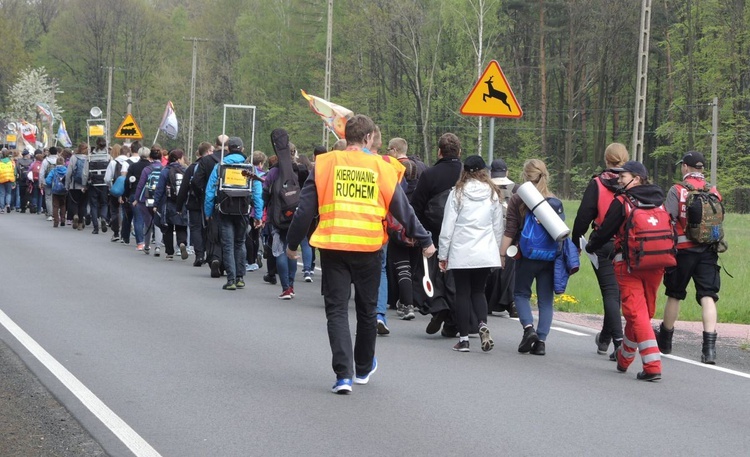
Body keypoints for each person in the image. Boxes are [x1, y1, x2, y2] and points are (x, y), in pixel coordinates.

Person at [285, 114, 436, 394]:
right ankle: (363, 368)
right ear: (368, 138)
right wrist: (424, 238)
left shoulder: (325, 164)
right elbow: (402, 209)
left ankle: (343, 376)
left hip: (333, 247)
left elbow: (305, 210)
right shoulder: (381, 167)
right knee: (367, 311)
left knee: (337, 311)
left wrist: (292, 244)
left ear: (346, 136)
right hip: (368, 248)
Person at [586, 160, 667, 381]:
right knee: (642, 313)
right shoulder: (660, 200)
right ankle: (624, 359)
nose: (618, 179)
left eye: (623, 176)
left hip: (628, 264)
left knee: (636, 314)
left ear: (637, 178)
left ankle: (652, 366)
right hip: (657, 264)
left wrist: (591, 246)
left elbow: (605, 232)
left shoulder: (623, 201)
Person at [655, 151, 723, 364]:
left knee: (675, 294)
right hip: (708, 251)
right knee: (708, 296)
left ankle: (665, 341)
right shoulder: (714, 191)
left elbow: (668, 218)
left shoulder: (677, 190)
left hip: (683, 251)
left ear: (685, 167)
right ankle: (709, 350)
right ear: (701, 169)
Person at [438, 155, 503, 352]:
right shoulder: (493, 193)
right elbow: (497, 226)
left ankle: (464, 339)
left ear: (464, 171)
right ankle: (483, 323)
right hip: (484, 251)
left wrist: (443, 255)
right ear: (484, 171)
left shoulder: (457, 193)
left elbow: (448, 226)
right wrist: (495, 250)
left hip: (462, 250)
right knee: (478, 291)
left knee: (463, 293)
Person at [572, 143, 629, 360]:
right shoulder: (634, 181)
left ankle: (618, 341)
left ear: (607, 160)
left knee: (610, 293)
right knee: (617, 294)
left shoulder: (598, 183)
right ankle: (605, 338)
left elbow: (584, 216)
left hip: (604, 243)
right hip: (629, 244)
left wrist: (576, 241)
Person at [500, 159, 562, 356]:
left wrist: (502, 254)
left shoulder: (518, 199)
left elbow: (510, 230)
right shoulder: (553, 200)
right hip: (549, 258)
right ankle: (541, 341)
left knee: (521, 294)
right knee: (545, 300)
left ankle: (529, 329)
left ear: (524, 177)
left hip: (526, 255)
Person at [410, 132, 463, 336]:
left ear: (439, 151)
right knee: (457, 279)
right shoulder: (466, 174)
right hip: (462, 234)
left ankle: (438, 307)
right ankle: (454, 322)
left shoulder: (430, 174)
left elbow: (416, 206)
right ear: (459, 152)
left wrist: (420, 235)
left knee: (432, 275)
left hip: (434, 233)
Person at [204, 136, 263, 290]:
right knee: (240, 243)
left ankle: (230, 280)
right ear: (242, 149)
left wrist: (208, 212)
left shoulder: (220, 167)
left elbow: (209, 192)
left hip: (224, 210)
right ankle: (240, 277)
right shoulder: (251, 168)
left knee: (228, 245)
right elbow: (257, 193)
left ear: (228, 149)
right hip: (243, 210)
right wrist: (257, 216)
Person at [176, 141, 213, 266]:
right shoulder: (212, 165)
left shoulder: (192, 167)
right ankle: (210, 254)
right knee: (207, 228)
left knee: (195, 228)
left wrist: (179, 206)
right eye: (212, 151)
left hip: (193, 202)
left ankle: (199, 255)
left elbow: (184, 188)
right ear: (207, 152)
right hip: (208, 201)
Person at [153, 149, 189, 260]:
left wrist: (156, 203)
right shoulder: (185, 170)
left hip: (167, 203)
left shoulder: (165, 171)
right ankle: (182, 243)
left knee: (167, 227)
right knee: (181, 225)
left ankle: (169, 252)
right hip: (181, 203)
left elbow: (159, 188)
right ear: (178, 159)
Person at [133, 148, 164, 255]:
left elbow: (140, 185)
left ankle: (146, 246)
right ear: (161, 157)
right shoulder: (164, 169)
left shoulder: (147, 169)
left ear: (150, 157)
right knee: (158, 223)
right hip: (159, 200)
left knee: (148, 223)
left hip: (146, 199)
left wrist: (136, 199)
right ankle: (158, 247)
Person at [124, 147, 151, 249]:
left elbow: (127, 182)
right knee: (149, 219)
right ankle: (150, 240)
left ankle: (140, 242)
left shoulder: (133, 166)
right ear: (148, 155)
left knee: (138, 219)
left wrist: (126, 195)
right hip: (149, 195)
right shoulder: (151, 167)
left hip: (135, 193)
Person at [87, 137, 111, 234]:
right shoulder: (108, 156)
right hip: (104, 183)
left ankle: (95, 227)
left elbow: (86, 171)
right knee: (104, 203)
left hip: (93, 183)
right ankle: (104, 218)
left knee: (93, 205)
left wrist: (86, 183)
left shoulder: (91, 156)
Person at [65, 143, 90, 231]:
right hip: (85, 186)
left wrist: (67, 184)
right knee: (83, 204)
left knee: (74, 202)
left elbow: (69, 173)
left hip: (74, 185)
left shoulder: (73, 158)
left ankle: (75, 214)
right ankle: (80, 223)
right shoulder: (88, 158)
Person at [45, 156, 68, 227]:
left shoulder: (54, 170)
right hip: (64, 190)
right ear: (63, 163)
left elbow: (48, 180)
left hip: (55, 190)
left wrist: (51, 185)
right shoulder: (66, 170)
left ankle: (56, 221)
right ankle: (63, 219)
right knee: (63, 205)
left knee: (55, 206)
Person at [40, 146, 59, 221]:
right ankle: (57, 213)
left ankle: (50, 214)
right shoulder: (59, 160)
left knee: (48, 198)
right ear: (57, 152)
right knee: (57, 198)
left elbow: (41, 172)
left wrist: (41, 182)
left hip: (47, 181)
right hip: (58, 182)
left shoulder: (45, 161)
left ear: (49, 152)